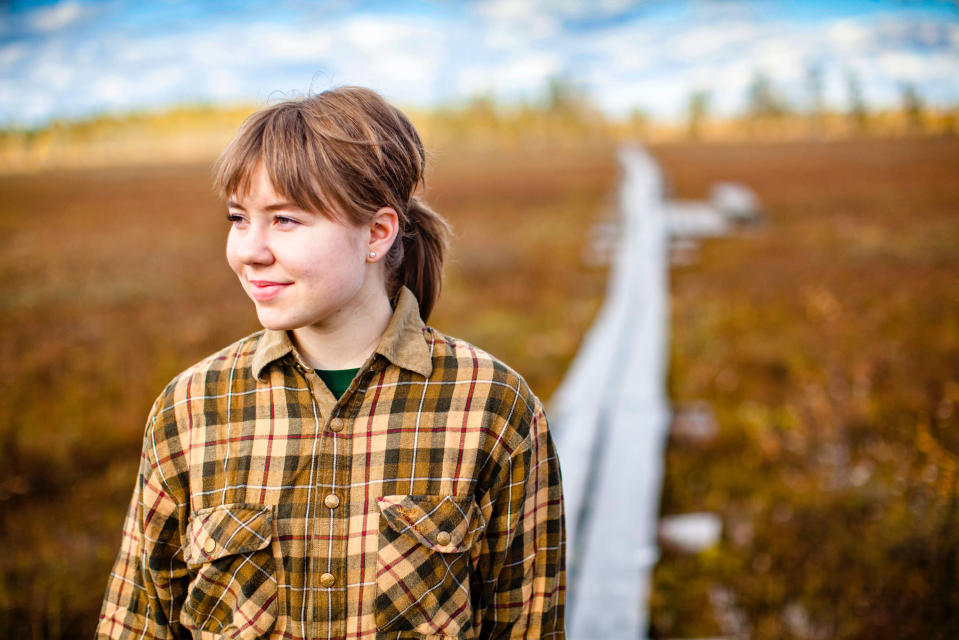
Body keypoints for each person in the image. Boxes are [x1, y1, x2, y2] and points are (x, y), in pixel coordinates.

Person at [96, 86, 566, 640]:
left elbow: (528, 625)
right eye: (238, 218)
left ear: (377, 233)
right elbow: (137, 623)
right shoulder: (191, 408)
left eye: (285, 220)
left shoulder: (493, 407)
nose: (249, 250)